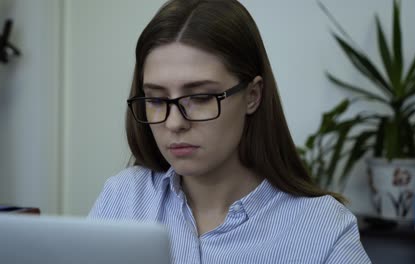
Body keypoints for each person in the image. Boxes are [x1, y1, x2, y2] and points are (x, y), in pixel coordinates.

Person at [89, 0, 371, 263]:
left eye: (200, 98)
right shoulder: (123, 197)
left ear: (253, 95)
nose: (174, 123)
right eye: (156, 99)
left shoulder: (324, 230)